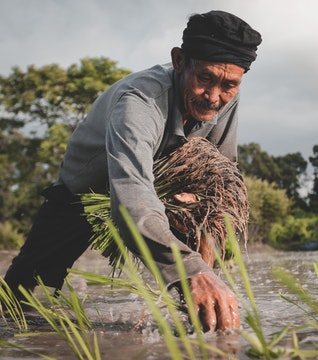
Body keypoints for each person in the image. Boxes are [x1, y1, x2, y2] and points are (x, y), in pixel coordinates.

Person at [3, 10, 261, 332]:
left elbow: (223, 173)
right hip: (86, 190)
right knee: (26, 288)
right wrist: (190, 270)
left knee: (203, 234)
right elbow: (133, 199)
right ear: (179, 61)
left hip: (163, 188)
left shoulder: (225, 97)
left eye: (229, 85)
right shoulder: (139, 102)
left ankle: (197, 325)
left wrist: (200, 204)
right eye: (204, 79)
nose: (213, 97)